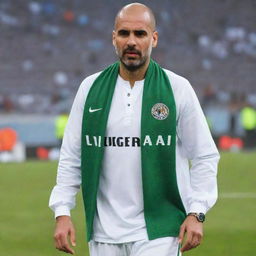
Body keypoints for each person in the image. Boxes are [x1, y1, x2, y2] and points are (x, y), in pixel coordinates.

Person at [49, 3, 220, 256]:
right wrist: (62, 212)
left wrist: (197, 212)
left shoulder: (177, 89)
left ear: (154, 38)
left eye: (140, 34)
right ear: (113, 38)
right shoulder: (90, 88)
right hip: (104, 231)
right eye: (123, 33)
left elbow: (205, 156)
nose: (131, 41)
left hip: (159, 230)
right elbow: (72, 156)